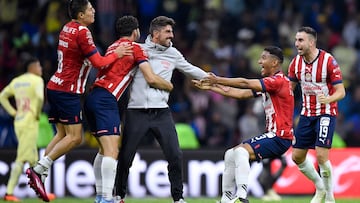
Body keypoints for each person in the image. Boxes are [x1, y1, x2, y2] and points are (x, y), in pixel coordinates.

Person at [25, 0, 132, 202]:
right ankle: (39, 169)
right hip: (68, 90)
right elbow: (98, 62)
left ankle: (41, 176)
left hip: (55, 86)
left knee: (61, 135)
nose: (94, 11)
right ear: (81, 15)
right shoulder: (83, 32)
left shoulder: (68, 27)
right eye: (90, 9)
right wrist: (116, 54)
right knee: (75, 138)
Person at [113, 16, 208, 203]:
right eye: (168, 32)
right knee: (126, 156)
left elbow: (190, 69)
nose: (171, 36)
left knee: (175, 154)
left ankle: (178, 198)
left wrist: (214, 79)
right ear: (155, 34)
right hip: (136, 111)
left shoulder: (173, 54)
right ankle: (118, 196)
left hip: (161, 112)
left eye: (171, 32)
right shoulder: (138, 49)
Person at [84, 15, 173, 203]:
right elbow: (150, 77)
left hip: (92, 97)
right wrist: (169, 85)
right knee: (112, 151)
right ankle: (108, 198)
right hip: (106, 100)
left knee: (103, 150)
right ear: (136, 31)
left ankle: (101, 196)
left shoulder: (113, 47)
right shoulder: (136, 48)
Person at [193, 46, 294, 203]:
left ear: (274, 63)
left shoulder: (277, 81)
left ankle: (241, 197)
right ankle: (226, 199)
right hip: (273, 135)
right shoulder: (270, 83)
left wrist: (217, 79)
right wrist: (211, 87)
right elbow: (239, 94)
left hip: (280, 136)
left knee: (240, 153)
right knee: (230, 154)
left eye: (263, 58)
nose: (259, 61)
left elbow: (245, 83)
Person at [288, 26, 346, 203]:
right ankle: (320, 187)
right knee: (297, 157)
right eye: (296, 40)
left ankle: (329, 197)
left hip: (326, 113)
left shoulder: (328, 61)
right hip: (306, 114)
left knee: (321, 156)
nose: (296, 43)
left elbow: (341, 92)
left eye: (300, 40)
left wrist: (328, 100)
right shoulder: (295, 63)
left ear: (311, 42)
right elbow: (289, 90)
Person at [0, 57, 55, 202]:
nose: (41, 69)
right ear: (32, 67)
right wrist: (37, 113)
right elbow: (39, 97)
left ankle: (40, 192)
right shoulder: (37, 80)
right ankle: (9, 192)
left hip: (18, 122)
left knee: (33, 159)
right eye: (39, 66)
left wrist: (13, 112)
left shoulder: (17, 81)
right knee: (23, 157)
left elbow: (2, 96)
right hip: (30, 121)